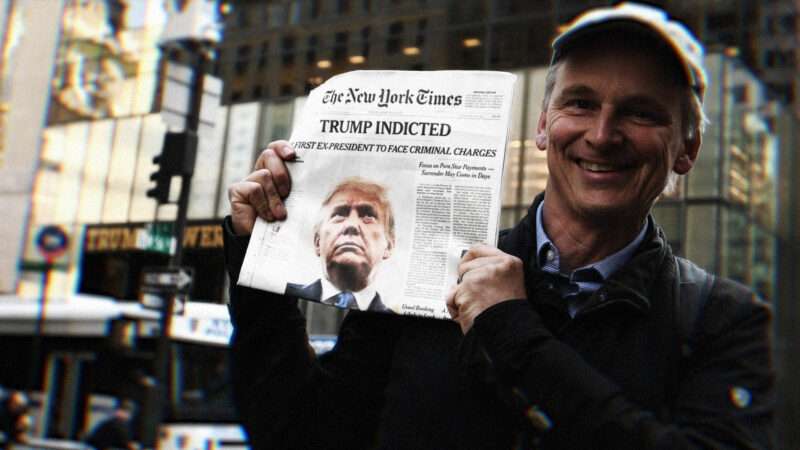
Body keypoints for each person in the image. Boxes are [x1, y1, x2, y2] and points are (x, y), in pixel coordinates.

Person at [224, 3, 774, 449]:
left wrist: (512, 329)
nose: (603, 134)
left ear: (687, 149)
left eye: (641, 113)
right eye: (580, 103)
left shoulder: (722, 320)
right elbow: (303, 434)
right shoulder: (425, 273)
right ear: (542, 125)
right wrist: (259, 271)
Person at [284, 177, 396, 312]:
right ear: (317, 242)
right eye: (339, 215)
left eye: (368, 216)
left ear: (388, 246)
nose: (351, 225)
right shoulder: (277, 296)